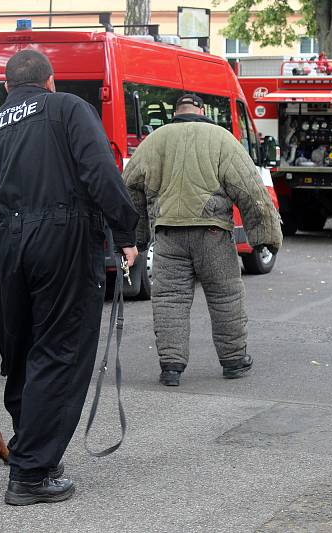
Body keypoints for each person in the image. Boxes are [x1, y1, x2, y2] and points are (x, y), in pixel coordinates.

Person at [0, 50, 139, 505]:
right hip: (63, 237)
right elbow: (100, 172)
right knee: (61, 350)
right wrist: (126, 230)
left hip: (8, 247)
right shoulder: (67, 108)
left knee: (22, 351)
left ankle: (33, 453)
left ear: (5, 87)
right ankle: (31, 473)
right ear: (50, 81)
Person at [123, 93, 283, 387]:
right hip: (213, 234)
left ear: (176, 113)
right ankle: (233, 360)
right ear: (202, 111)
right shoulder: (221, 139)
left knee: (170, 300)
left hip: (169, 234)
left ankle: (171, 367)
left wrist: (136, 238)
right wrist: (266, 237)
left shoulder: (154, 141)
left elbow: (130, 187)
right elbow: (250, 190)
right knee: (225, 297)